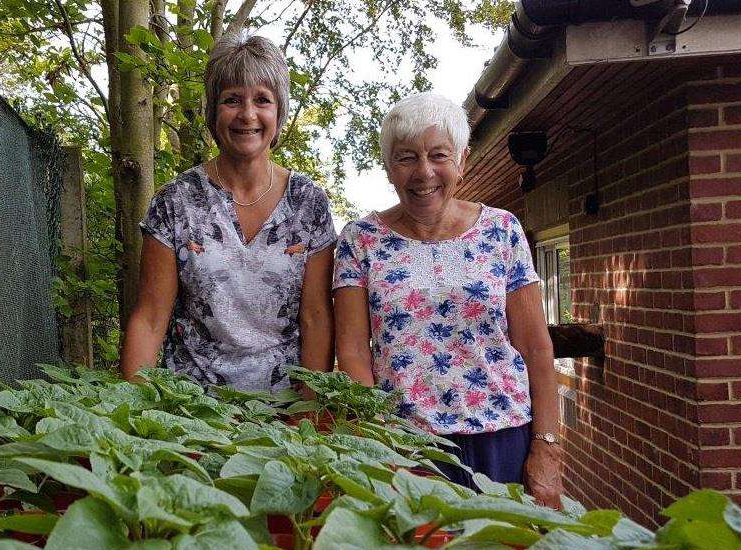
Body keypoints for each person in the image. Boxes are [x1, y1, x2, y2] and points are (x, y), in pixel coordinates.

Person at [333, 92, 563, 508]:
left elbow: (535, 346)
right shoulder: (360, 240)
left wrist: (546, 447)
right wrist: (381, 442)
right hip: (405, 447)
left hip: (503, 441)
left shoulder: (502, 231)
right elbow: (352, 352)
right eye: (406, 158)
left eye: (439, 155)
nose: (424, 173)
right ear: (389, 168)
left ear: (462, 160)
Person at [120, 32, 336, 393]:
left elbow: (316, 318)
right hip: (192, 413)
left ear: (278, 112)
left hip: (284, 416)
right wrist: (131, 409)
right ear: (213, 111)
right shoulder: (176, 202)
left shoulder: (308, 203)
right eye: (232, 99)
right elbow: (151, 319)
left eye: (262, 100)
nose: (247, 114)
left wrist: (308, 415)